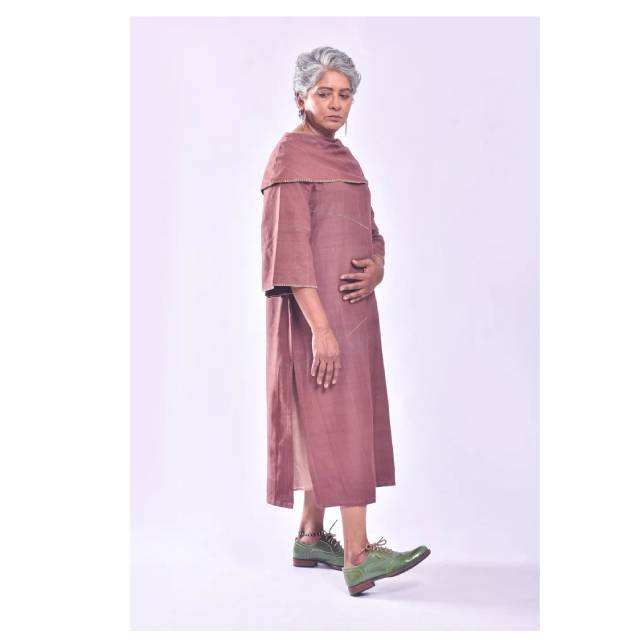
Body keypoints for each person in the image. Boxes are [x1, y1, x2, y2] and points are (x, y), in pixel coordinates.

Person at [260, 46, 431, 596]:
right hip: (315, 320)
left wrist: (377, 265)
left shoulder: (344, 158)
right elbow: (287, 255)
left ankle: (311, 535)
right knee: (339, 420)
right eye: (324, 93)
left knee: (340, 416)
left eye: (344, 94)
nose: (336, 104)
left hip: (355, 317)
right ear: (300, 98)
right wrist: (322, 331)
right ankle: (358, 555)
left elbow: (370, 230)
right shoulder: (289, 159)